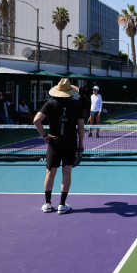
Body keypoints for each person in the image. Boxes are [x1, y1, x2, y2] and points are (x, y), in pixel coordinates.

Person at [34, 78, 85, 214]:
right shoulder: (76, 105)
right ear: (70, 91)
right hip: (70, 143)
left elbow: (36, 120)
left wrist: (45, 136)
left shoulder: (49, 104)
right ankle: (62, 205)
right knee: (66, 172)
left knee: (50, 173)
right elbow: (81, 128)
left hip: (54, 143)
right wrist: (81, 145)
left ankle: (47, 204)